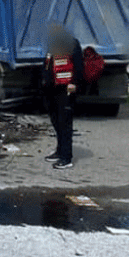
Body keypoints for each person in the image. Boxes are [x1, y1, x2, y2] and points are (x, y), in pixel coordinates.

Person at [42, 23, 85, 170]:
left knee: (64, 123)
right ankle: (59, 151)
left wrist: (74, 83)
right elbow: (48, 64)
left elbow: (78, 66)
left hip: (66, 90)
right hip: (53, 89)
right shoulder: (53, 44)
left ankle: (66, 158)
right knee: (56, 121)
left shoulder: (72, 44)